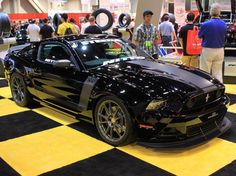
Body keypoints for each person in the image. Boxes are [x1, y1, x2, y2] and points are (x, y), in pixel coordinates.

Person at [198, 3, 227, 83]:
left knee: (205, 71)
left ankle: (205, 88)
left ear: (210, 12)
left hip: (208, 50)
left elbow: (199, 36)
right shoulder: (224, 24)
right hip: (220, 50)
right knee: (217, 72)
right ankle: (218, 89)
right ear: (219, 13)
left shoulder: (205, 24)